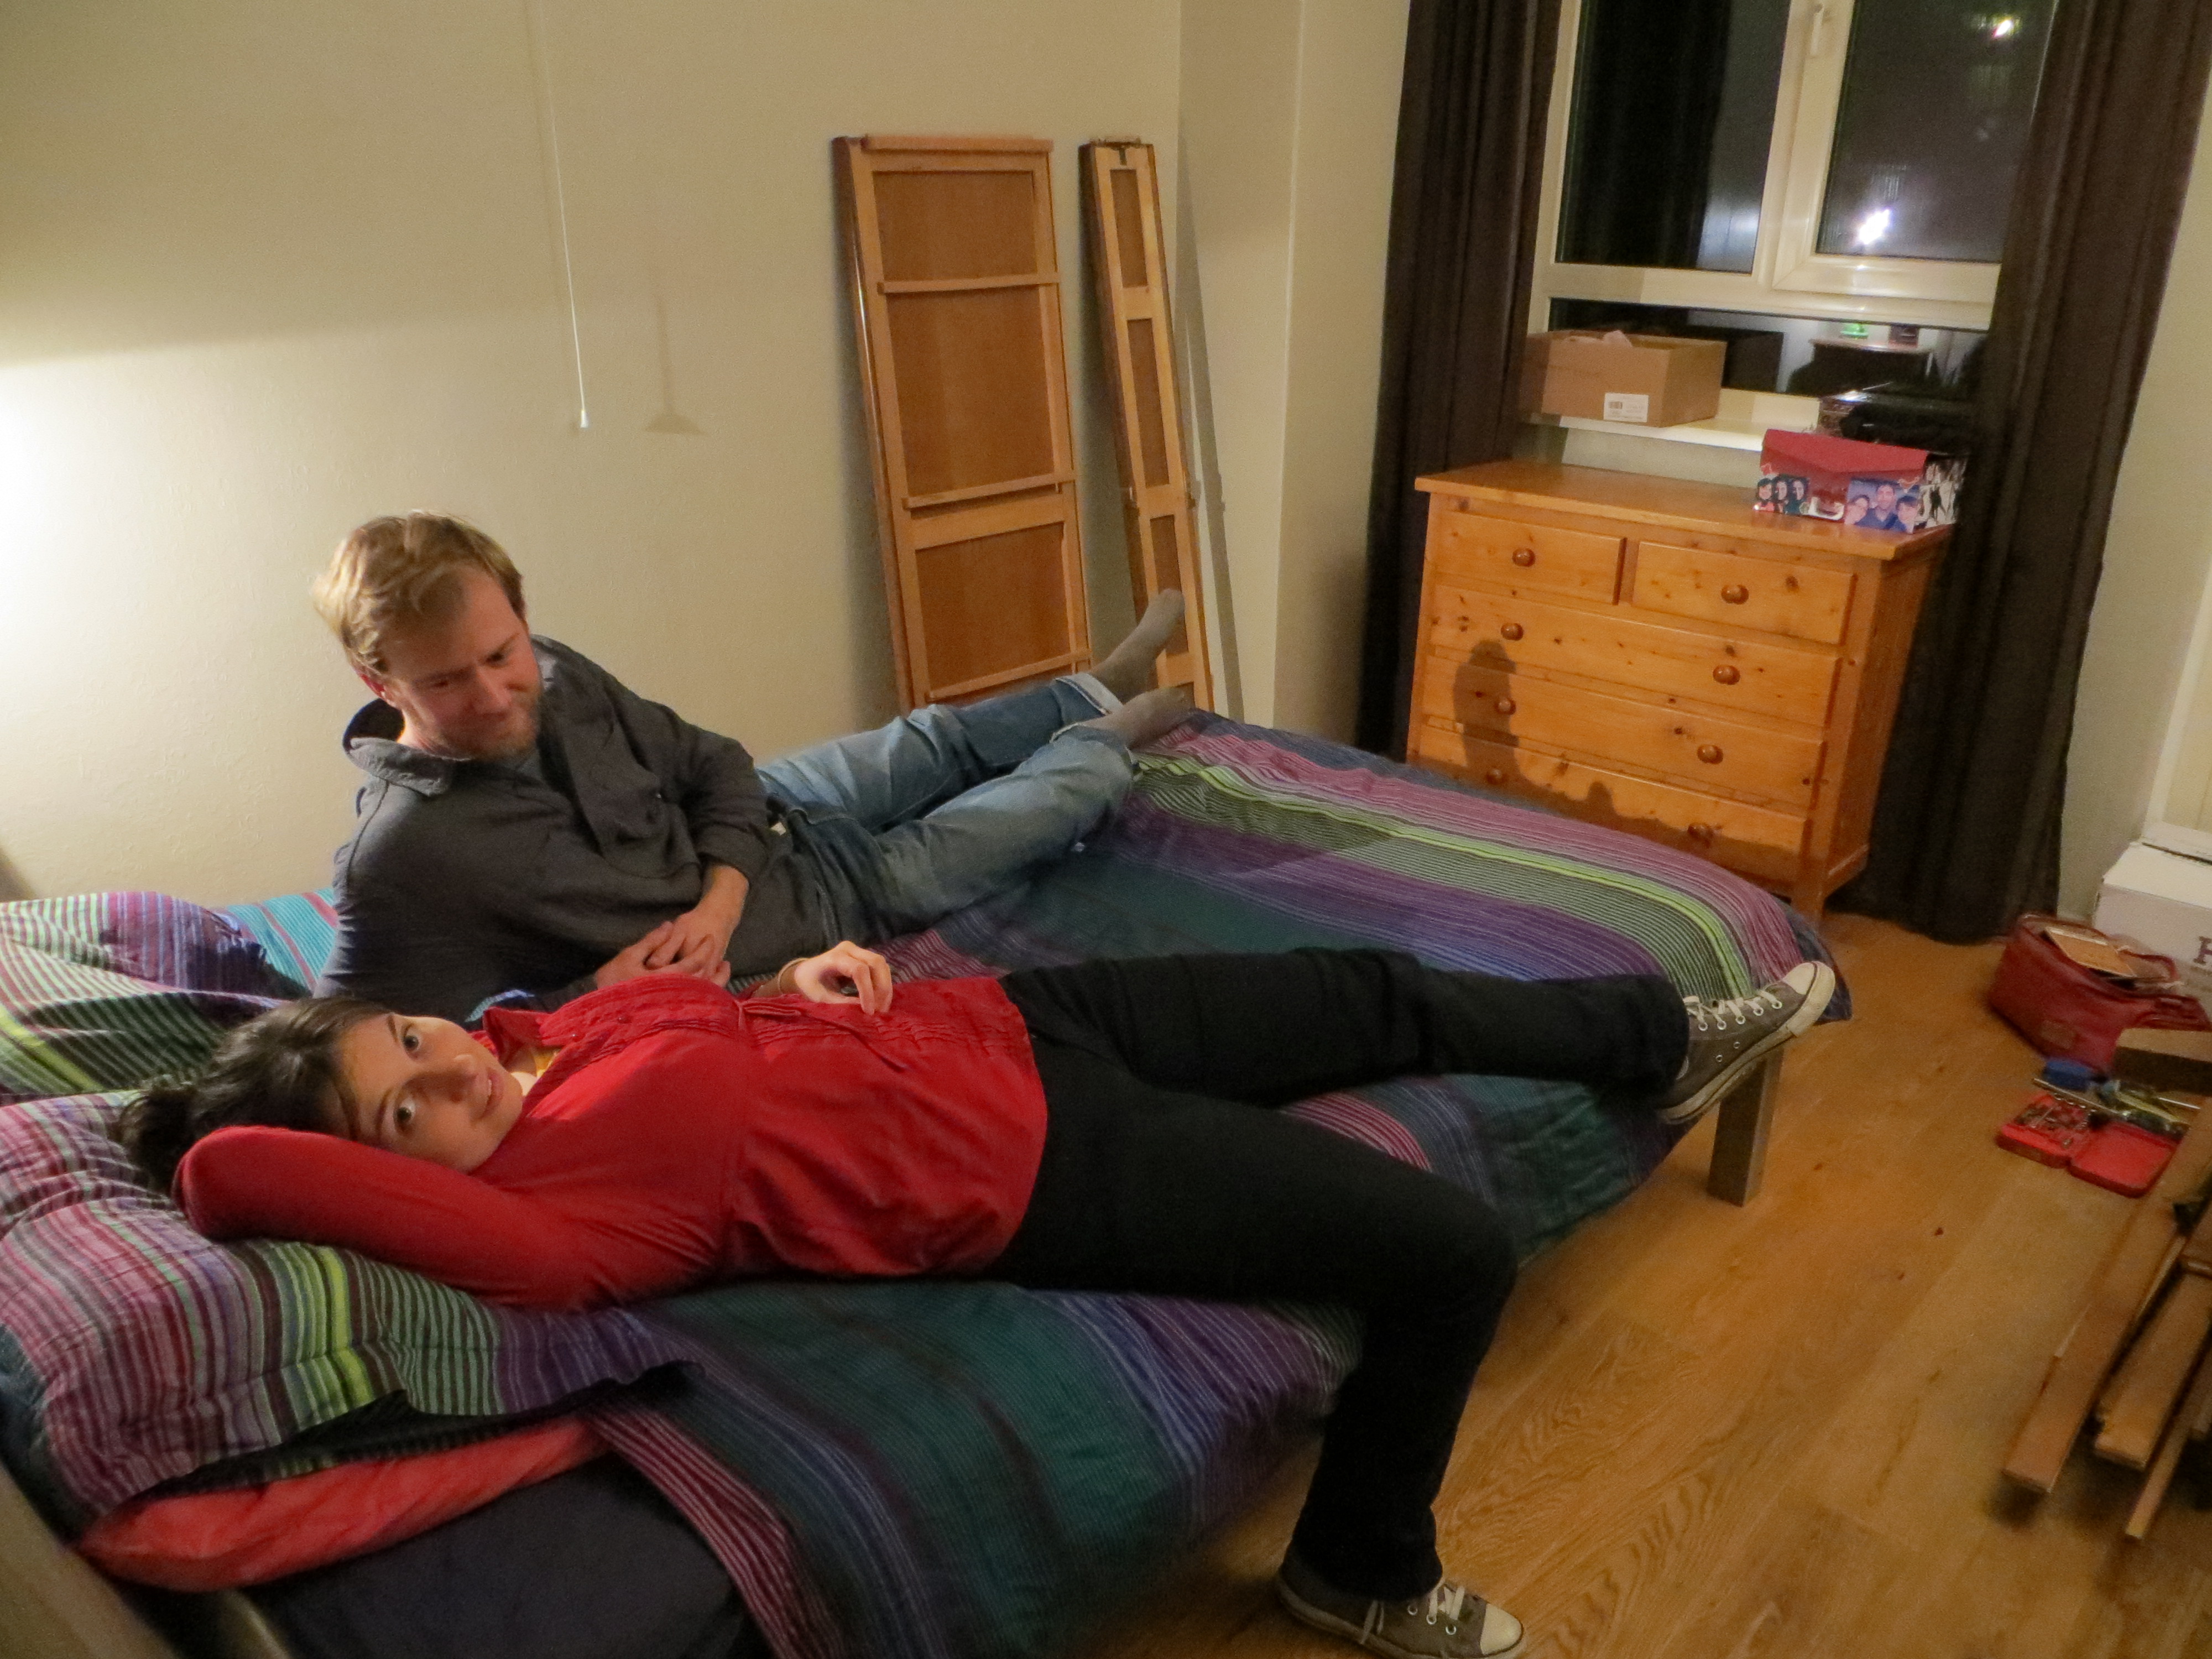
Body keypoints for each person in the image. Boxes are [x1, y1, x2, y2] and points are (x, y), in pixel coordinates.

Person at [129, 940, 1835, 1659]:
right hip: (1042, 1164)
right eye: (401, 1116)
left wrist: (794, 979)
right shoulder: (549, 1222)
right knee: (1447, 1250)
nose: (444, 1074)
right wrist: (216, 1117)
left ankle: (1666, 1036)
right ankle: (1362, 1569)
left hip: (1005, 1017)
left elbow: (705, 1027)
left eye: (411, 1038)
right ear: (389, 1178)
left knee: (1372, 988)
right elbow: (230, 1179)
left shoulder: (539, 1038)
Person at [310, 514, 1194, 1024]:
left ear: (520, 617)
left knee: (927, 738)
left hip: (767, 813)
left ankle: (1093, 686)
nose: (496, 696)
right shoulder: (401, 856)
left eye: (502, 654)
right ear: (378, 682)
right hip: (822, 905)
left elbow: (714, 763)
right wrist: (591, 995)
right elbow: (364, 1044)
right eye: (446, 682)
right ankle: (1109, 740)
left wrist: (718, 902)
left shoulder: (557, 672)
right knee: (1050, 807)